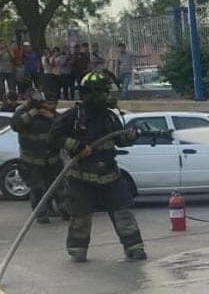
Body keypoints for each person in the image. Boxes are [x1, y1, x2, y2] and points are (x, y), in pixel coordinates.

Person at [51, 72, 145, 262]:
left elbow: (120, 140)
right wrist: (77, 147)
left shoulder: (109, 117)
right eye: (103, 92)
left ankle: (134, 247)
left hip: (110, 176)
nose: (107, 96)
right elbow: (54, 137)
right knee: (81, 217)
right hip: (81, 178)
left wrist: (131, 137)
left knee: (123, 213)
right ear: (91, 93)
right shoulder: (73, 117)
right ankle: (77, 250)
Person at [12, 88, 64, 223]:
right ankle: (41, 213)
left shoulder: (52, 115)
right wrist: (32, 113)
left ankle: (62, 210)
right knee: (38, 188)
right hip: (32, 160)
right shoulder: (23, 112)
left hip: (52, 159)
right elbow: (16, 125)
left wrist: (50, 116)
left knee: (57, 187)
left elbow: (64, 126)